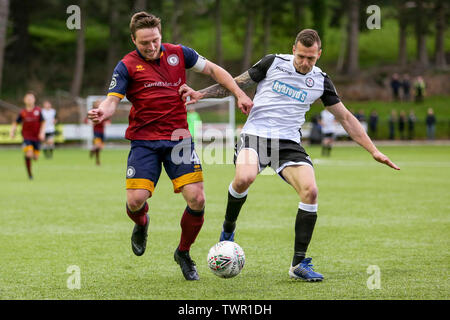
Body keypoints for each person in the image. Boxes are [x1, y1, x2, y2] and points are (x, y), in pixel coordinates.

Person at [180, 29, 400, 281]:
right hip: (256, 135)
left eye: (311, 58)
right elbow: (237, 83)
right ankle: (228, 228)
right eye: (301, 56)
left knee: (311, 190)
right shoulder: (272, 62)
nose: (305, 63)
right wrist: (201, 94)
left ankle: (298, 264)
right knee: (244, 178)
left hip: (288, 143)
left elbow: (346, 118)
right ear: (293, 48)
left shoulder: (321, 80)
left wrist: (373, 150)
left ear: (319, 54)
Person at [87, 12, 253, 281]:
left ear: (160, 35)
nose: (151, 47)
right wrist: (104, 111)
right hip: (144, 142)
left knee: (197, 199)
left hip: (178, 138)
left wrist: (240, 93)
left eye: (155, 40)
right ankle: (142, 224)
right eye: (144, 43)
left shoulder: (179, 54)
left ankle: (183, 253)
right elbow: (111, 99)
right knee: (135, 201)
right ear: (133, 40)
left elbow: (214, 70)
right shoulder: (126, 66)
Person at [9, 92, 46, 179]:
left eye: (31, 98)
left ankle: (29, 154)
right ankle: (30, 174)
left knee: (35, 158)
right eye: (28, 98)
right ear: (24, 100)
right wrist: (12, 132)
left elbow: (43, 122)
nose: (29, 100)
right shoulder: (23, 112)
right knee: (29, 154)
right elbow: (15, 123)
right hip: (26, 137)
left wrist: (42, 132)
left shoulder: (38, 111)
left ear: (34, 100)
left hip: (36, 137)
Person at [86, 100, 110, 166]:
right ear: (95, 104)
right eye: (98, 103)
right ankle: (93, 151)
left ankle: (94, 153)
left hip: (102, 132)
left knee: (100, 148)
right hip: (96, 132)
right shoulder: (93, 112)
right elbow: (87, 119)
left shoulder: (103, 111)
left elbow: (107, 119)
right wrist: (90, 122)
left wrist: (107, 122)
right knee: (98, 146)